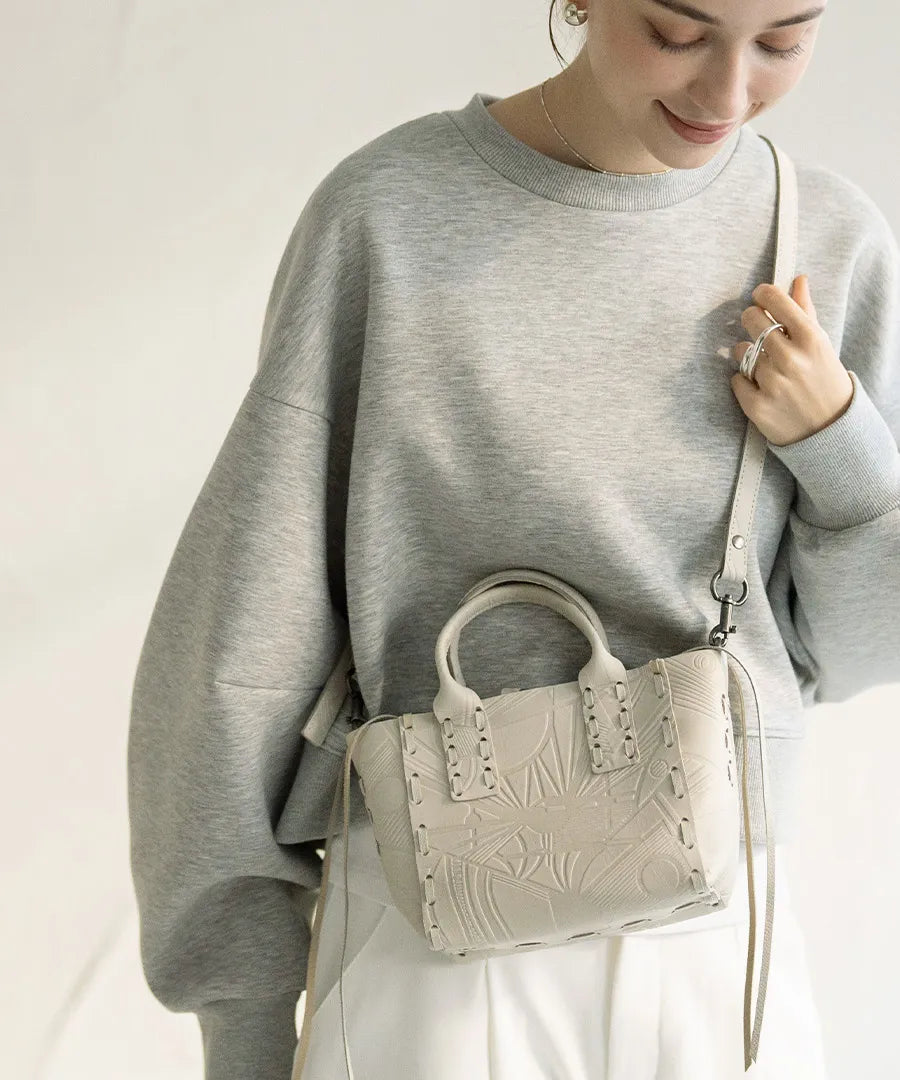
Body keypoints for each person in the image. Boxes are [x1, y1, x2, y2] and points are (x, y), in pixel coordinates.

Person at [128, 1, 900, 1078]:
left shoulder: (824, 239)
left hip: (718, 956)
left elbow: (855, 656)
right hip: (432, 937)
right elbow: (243, 636)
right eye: (678, 31)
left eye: (782, 39)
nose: (728, 92)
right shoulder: (389, 216)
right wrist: (243, 1015)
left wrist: (841, 447)